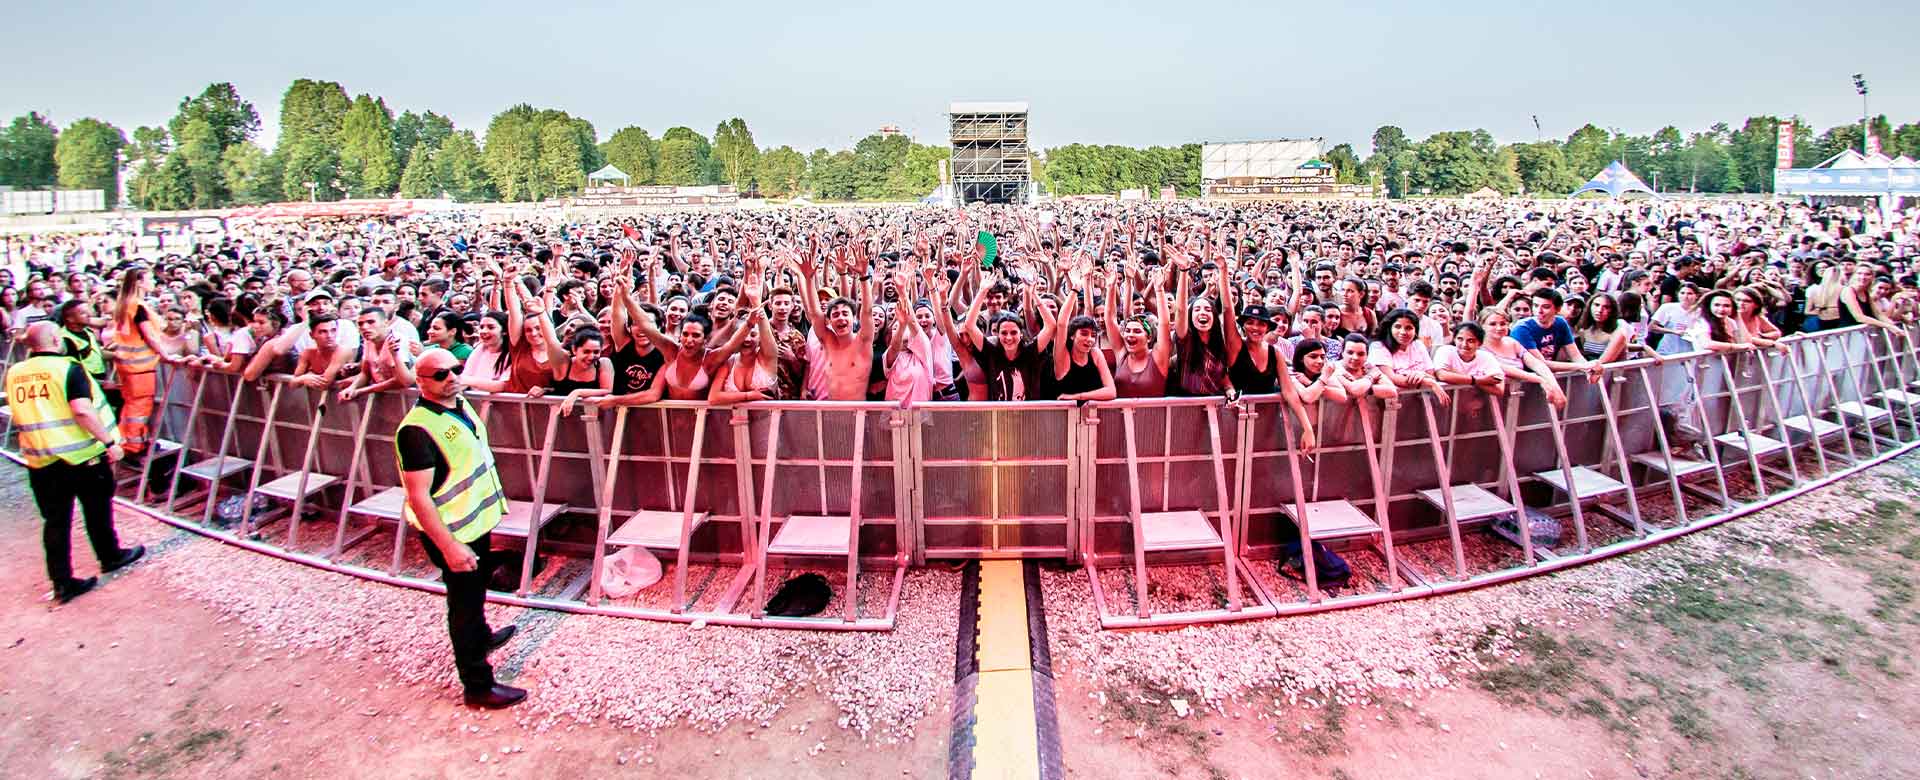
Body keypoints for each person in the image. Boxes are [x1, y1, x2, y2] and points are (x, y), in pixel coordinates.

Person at [393, 347, 525, 709]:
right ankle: (477, 685)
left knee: (475, 587)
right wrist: (449, 546)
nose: (451, 377)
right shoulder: (416, 430)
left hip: (473, 523)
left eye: (455, 369)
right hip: (452, 531)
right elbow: (419, 497)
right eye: (440, 374)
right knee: (463, 603)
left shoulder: (459, 404)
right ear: (420, 381)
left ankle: (482, 637)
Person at [5, 323, 145, 603]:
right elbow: (82, 409)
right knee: (97, 510)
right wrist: (109, 443)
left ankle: (62, 583)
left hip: (41, 459)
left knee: (55, 521)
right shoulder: (68, 368)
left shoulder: (15, 372)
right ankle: (110, 556)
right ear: (56, 340)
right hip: (82, 457)